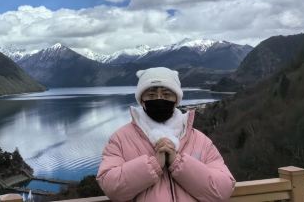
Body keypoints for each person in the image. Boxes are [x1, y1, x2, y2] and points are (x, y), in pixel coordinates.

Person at [97, 67, 235, 201]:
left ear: (176, 99)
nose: (159, 99)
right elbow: (111, 187)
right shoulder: (120, 139)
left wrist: (178, 163)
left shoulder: (200, 140)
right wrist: (152, 165)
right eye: (151, 95)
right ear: (141, 100)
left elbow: (223, 189)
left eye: (166, 94)